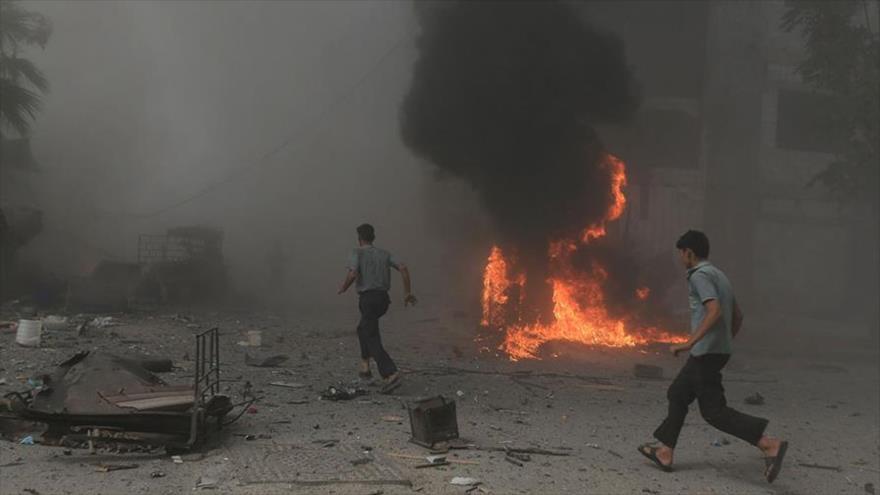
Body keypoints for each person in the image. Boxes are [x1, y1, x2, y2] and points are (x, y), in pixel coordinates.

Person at [638, 230, 788, 483]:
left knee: (714, 412)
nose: (680, 259)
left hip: (705, 352)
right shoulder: (720, 275)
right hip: (715, 351)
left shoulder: (699, 276)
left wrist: (689, 342)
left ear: (689, 252)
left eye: (681, 254)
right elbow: (737, 315)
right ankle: (665, 450)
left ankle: (768, 444)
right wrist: (725, 342)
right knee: (677, 393)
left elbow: (715, 310)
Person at [338, 223, 416, 394]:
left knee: (370, 334)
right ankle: (365, 366)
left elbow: (353, 273)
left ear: (359, 239)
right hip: (382, 300)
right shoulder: (384, 254)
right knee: (363, 328)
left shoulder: (356, 252)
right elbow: (403, 267)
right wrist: (407, 292)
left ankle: (390, 373)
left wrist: (344, 287)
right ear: (373, 237)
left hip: (368, 299)